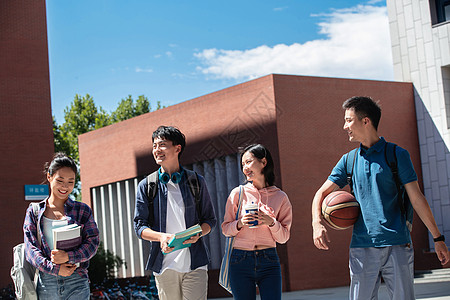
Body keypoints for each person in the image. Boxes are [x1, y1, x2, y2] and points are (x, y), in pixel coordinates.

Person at [312, 96, 449, 299]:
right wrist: (317, 222)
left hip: (398, 244)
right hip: (361, 246)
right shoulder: (348, 160)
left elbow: (417, 198)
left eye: (349, 120)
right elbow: (320, 194)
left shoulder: (397, 155)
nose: (344, 126)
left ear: (365, 121)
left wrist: (437, 238)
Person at [134, 125, 217, 300]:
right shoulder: (147, 185)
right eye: (154, 146)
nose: (157, 150)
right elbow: (140, 227)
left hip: (195, 264)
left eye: (162, 145)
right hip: (164, 266)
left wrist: (199, 233)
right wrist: (161, 238)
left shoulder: (196, 181)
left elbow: (210, 219)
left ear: (177, 148)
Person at [23, 153, 100, 299]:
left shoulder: (82, 210)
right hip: (47, 283)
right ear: (49, 177)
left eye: (71, 182)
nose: (65, 186)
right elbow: (30, 249)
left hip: (77, 279)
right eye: (60, 180)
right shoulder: (34, 211)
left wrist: (68, 256)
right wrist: (55, 268)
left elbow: (93, 242)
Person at [222, 144, 292, 300]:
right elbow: (225, 229)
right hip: (240, 260)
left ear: (264, 162)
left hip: (269, 260)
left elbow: (284, 237)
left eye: (248, 162)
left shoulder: (280, 197)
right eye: (242, 164)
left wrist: (271, 222)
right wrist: (240, 223)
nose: (245, 167)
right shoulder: (237, 193)